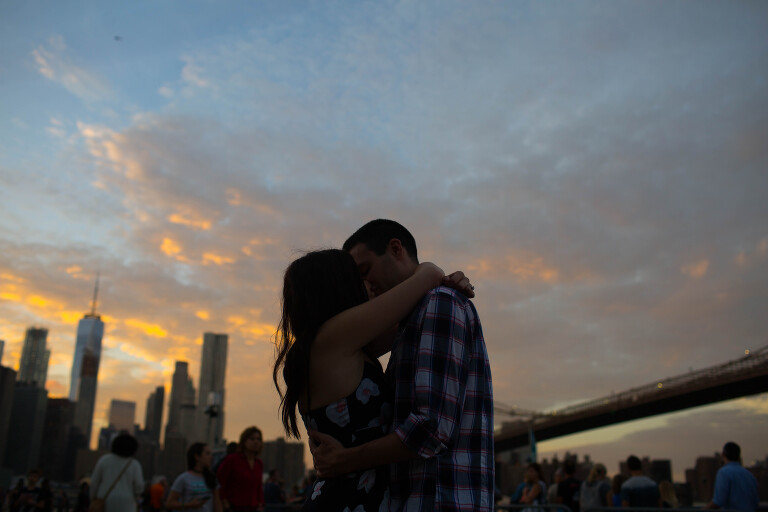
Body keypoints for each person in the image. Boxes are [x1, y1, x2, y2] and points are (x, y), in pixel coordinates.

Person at [308, 219, 494, 511]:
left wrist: (347, 458)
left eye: (365, 270)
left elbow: (430, 429)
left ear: (396, 249)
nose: (366, 285)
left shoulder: (438, 304)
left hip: (437, 499)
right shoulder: (409, 319)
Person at [274, 248, 459, 511]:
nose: (369, 284)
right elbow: (429, 275)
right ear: (337, 286)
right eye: (359, 276)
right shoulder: (331, 338)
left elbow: (410, 322)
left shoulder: (334, 348)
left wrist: (449, 284)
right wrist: (434, 277)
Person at [90, 433, 144, 512]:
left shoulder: (104, 460)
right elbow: (139, 487)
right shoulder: (135, 464)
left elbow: (94, 483)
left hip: (104, 502)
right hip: (127, 504)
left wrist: (93, 499)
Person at [217, 426, 264, 511]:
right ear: (244, 441)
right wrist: (225, 503)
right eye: (252, 439)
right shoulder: (232, 460)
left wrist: (260, 503)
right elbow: (220, 482)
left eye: (258, 439)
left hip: (253, 508)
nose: (256, 442)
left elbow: (258, 487)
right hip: (234, 507)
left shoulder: (258, 463)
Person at [705, 442, 759, 512]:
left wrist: (703, 510)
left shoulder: (723, 472)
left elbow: (718, 501)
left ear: (723, 454)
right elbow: (755, 502)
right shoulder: (749, 475)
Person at [167, 443, 219, 512]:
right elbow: (169, 504)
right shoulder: (183, 478)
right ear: (197, 456)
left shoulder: (212, 478)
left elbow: (217, 505)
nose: (211, 457)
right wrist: (189, 505)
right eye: (207, 454)